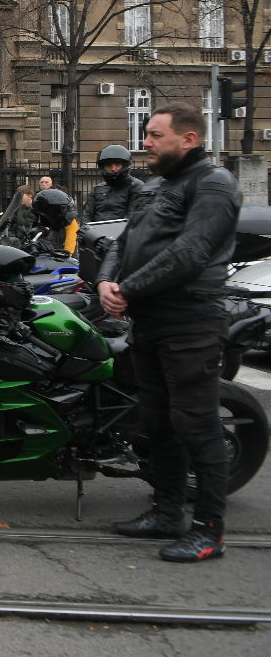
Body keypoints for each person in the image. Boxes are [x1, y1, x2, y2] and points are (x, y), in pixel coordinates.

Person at [99, 103, 240, 563]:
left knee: (196, 424)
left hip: (190, 321)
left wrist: (127, 288)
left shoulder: (213, 183)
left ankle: (209, 530)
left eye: (155, 135)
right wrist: (106, 280)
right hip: (150, 321)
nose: (145, 142)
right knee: (156, 422)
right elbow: (122, 240)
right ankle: (166, 511)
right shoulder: (157, 186)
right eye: (146, 133)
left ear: (189, 139)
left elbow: (193, 251)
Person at [84, 144, 138, 222]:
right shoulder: (97, 189)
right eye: (109, 165)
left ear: (125, 165)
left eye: (117, 164)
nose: (113, 169)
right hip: (97, 232)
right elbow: (87, 216)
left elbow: (132, 219)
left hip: (123, 232)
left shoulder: (136, 187)